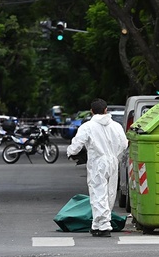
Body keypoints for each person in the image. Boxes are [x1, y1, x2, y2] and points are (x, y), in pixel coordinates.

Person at [67, 98, 128, 237]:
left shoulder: (87, 126)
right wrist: (115, 155)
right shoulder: (116, 126)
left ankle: (104, 226)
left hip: (97, 162)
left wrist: (71, 152)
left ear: (92, 111)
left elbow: (77, 144)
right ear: (106, 110)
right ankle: (97, 224)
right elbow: (124, 144)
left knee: (97, 193)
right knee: (110, 193)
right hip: (112, 161)